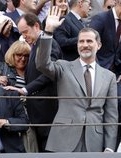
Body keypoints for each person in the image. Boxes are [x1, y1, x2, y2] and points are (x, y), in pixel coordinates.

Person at [35, 6, 118, 152]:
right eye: (81, 42)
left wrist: (110, 147)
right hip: (63, 139)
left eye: (89, 41)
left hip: (94, 142)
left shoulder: (109, 76)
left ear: (98, 45)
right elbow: (42, 64)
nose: (85, 45)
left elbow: (111, 115)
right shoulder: (63, 67)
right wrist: (48, 32)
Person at [17, 13, 62, 152]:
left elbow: (49, 74)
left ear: (36, 26)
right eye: (21, 33)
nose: (24, 36)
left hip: (47, 111)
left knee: (48, 150)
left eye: (25, 31)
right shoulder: (35, 45)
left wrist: (26, 89)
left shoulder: (49, 43)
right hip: (37, 111)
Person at [89, 0, 121, 72]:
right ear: (118, 3)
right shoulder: (101, 19)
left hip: (116, 73)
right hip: (99, 69)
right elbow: (90, 44)